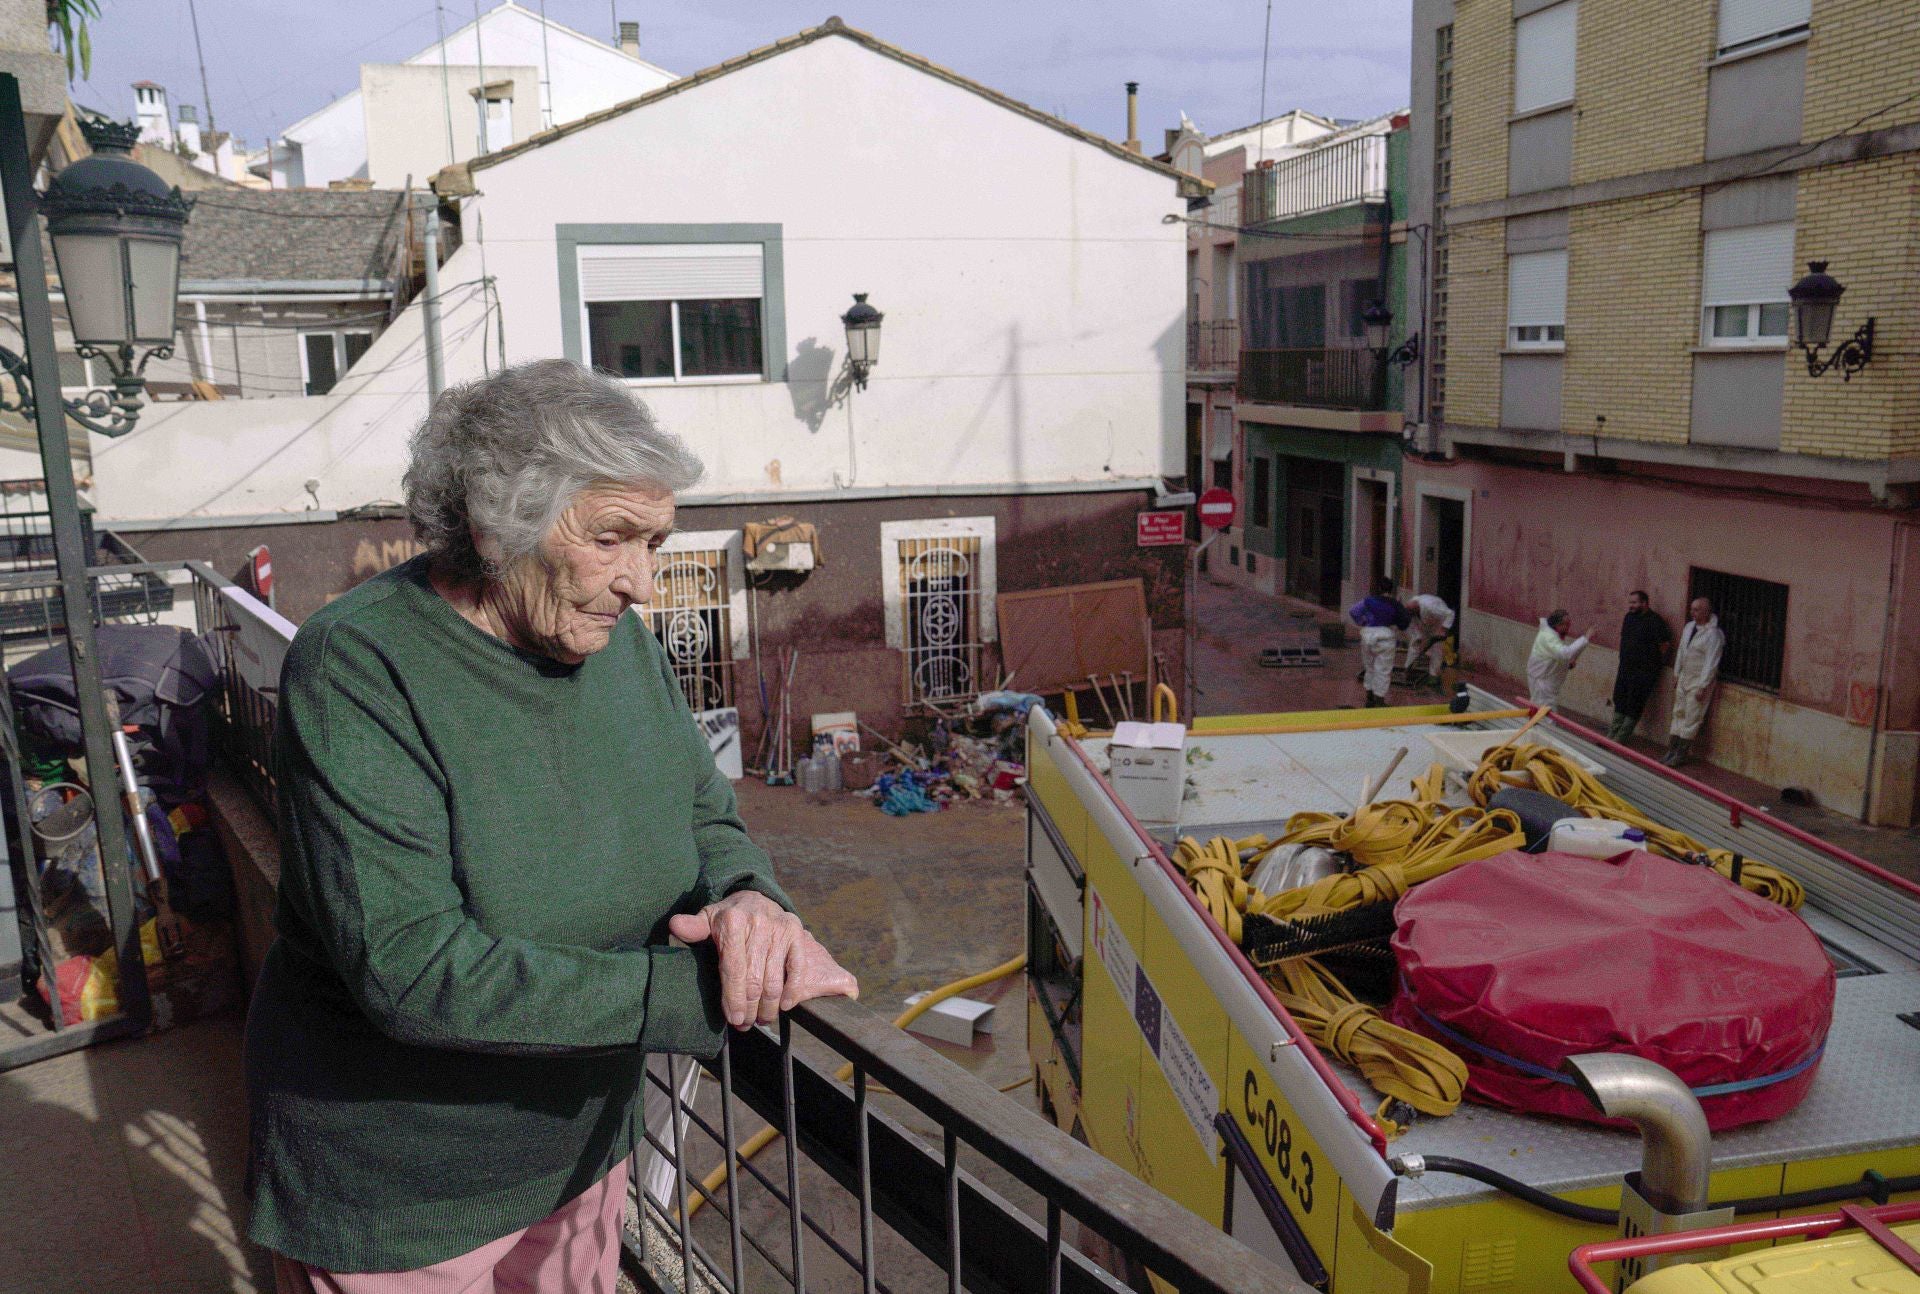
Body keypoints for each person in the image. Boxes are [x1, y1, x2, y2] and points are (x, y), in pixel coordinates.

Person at [246, 360, 859, 1292]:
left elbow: (704, 810)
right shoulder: (359, 667)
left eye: (653, 542)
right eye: (611, 538)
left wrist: (749, 903)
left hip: (583, 1149)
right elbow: (411, 970)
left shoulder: (617, 644)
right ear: (498, 525)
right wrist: (700, 996)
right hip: (408, 1190)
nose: (641, 584)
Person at [1664, 596, 1725, 766]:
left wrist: (1703, 685)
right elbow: (1682, 651)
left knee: (1692, 716)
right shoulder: (1689, 627)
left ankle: (1681, 754)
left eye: (1697, 609)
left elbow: (1711, 662)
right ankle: (1671, 749)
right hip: (1684, 677)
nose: (1692, 612)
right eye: (1691, 609)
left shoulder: (1714, 635)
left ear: (1706, 612)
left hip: (1698, 681)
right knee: (1678, 712)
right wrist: (1676, 674)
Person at [1607, 589, 1673, 743]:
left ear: (1644, 603)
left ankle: (1620, 738)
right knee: (1620, 698)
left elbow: (1664, 645)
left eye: (1634, 602)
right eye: (1630, 602)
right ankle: (1612, 734)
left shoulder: (1655, 621)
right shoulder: (1629, 618)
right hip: (1625, 668)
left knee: (1634, 703)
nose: (1631, 606)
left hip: (1644, 672)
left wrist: (1652, 664)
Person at [1349, 577, 1409, 708]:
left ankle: (1369, 697)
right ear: (1391, 589)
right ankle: (1379, 701)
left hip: (1367, 636)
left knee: (1369, 668)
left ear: (1378, 589)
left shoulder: (1368, 601)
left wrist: (1362, 622)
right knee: (1383, 670)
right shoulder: (1395, 604)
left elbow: (1353, 611)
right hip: (1385, 638)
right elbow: (1404, 624)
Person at [1527, 609, 1594, 708]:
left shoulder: (1551, 635)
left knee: (1538, 714)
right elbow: (1565, 654)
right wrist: (1586, 638)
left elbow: (1555, 658)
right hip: (1542, 684)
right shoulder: (1548, 637)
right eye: (1566, 625)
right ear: (1557, 625)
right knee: (1545, 717)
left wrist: (1568, 664)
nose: (1568, 628)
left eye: (1569, 624)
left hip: (1543, 682)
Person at [1402, 591, 1455, 688]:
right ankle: (1408, 669)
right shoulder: (1410, 611)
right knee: (1414, 645)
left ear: (1416, 610)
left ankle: (1433, 676)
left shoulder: (1431, 606)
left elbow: (1450, 613)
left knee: (1437, 648)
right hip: (1423, 625)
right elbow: (1413, 626)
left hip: (1438, 623)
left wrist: (1443, 629)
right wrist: (1419, 639)